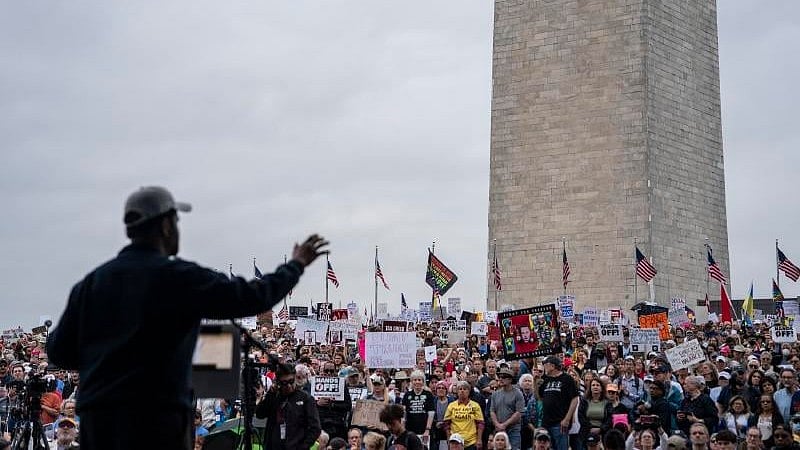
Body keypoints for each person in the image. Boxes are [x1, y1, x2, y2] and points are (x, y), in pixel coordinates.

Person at [47, 186, 329, 450]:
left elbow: (59, 352)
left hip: (101, 419)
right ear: (166, 226)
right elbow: (252, 297)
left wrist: (107, 359)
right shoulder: (179, 278)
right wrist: (295, 265)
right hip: (159, 418)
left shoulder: (91, 284)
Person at [255, 363, 321, 450]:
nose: (289, 386)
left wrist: (303, 446)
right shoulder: (274, 396)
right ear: (278, 382)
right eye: (284, 383)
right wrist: (270, 395)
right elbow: (260, 414)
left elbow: (315, 428)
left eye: (291, 381)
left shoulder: (306, 398)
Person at [539, 355, 580, 450]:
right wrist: (535, 381)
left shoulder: (567, 378)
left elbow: (575, 399)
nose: (544, 367)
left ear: (553, 366)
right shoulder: (546, 380)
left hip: (559, 423)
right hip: (546, 422)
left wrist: (567, 419)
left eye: (546, 364)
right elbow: (539, 397)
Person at [490, 367, 525, 450]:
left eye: (504, 377)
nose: (501, 379)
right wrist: (497, 424)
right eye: (500, 377)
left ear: (510, 380)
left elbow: (518, 412)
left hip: (513, 430)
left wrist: (504, 425)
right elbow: (492, 411)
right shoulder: (495, 394)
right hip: (498, 429)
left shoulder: (518, 393)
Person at [444, 381, 485, 450]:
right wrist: (448, 438)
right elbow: (446, 424)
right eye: (460, 389)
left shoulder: (475, 405)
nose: (462, 391)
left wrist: (479, 439)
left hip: (471, 442)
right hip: (455, 442)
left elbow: (480, 424)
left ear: (469, 391)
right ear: (457, 391)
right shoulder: (451, 405)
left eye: (465, 389)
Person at [403, 370, 436, 438]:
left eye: (419, 380)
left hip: (425, 430)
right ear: (411, 382)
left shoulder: (428, 394)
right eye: (415, 380)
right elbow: (404, 414)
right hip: (410, 430)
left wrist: (427, 429)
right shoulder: (407, 395)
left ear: (423, 382)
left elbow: (431, 413)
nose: (417, 382)